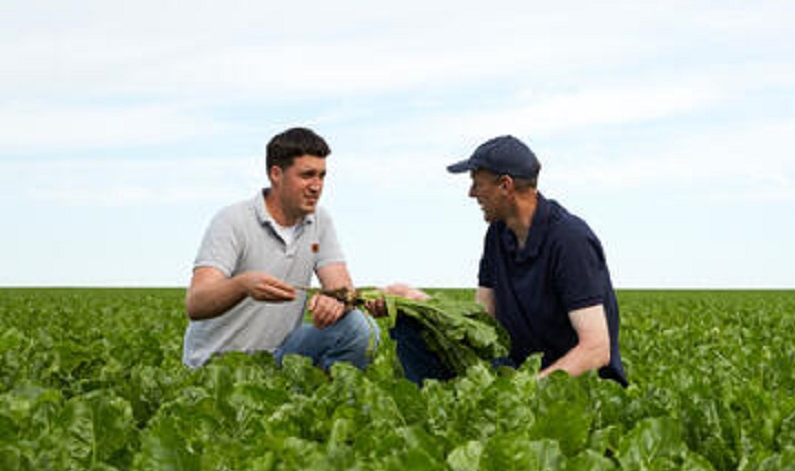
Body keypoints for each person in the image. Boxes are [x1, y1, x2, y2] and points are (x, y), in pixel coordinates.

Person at [389, 135, 627, 386]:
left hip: (569, 384)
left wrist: (524, 389)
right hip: (515, 371)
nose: (471, 193)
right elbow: (481, 324)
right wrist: (417, 301)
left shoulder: (570, 240)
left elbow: (596, 349)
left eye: (477, 184)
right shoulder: (497, 234)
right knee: (411, 322)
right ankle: (436, 404)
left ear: (505, 185)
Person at [182, 127, 377, 372]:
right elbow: (196, 303)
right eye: (307, 175)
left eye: (322, 176)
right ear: (276, 174)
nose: (317, 186)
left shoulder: (320, 221)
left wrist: (336, 301)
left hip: (279, 356)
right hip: (221, 364)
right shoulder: (232, 220)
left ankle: (325, 390)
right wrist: (243, 285)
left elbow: (342, 288)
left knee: (360, 327)